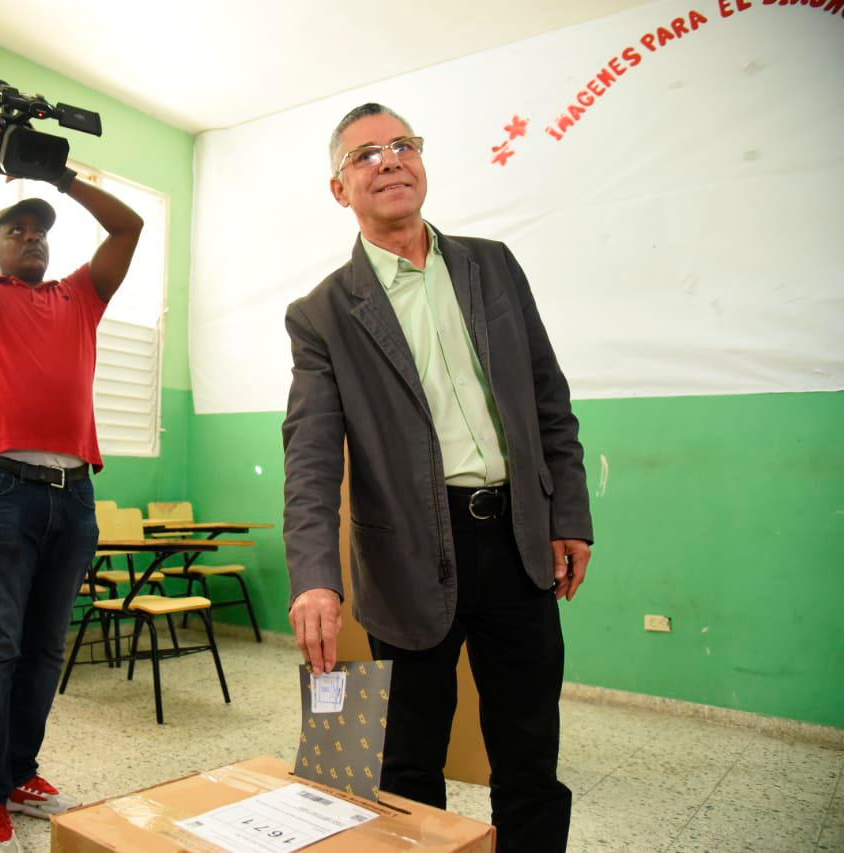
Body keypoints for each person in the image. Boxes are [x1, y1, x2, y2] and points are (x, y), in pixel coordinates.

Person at [282, 103, 594, 853]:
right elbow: (312, 452)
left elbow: (550, 397)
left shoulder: (493, 265)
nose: (389, 161)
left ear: (422, 163)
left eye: (403, 146)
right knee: (408, 759)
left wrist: (570, 513)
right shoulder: (322, 313)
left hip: (519, 539)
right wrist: (316, 577)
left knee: (529, 751)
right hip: (407, 556)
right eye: (366, 155)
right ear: (340, 189)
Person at [0, 103, 142, 852]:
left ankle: (17, 768)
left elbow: (129, 227)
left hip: (72, 492)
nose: (33, 238)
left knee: (46, 647)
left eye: (41, 230)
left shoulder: (79, 296)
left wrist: (60, 177)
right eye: (18, 230)